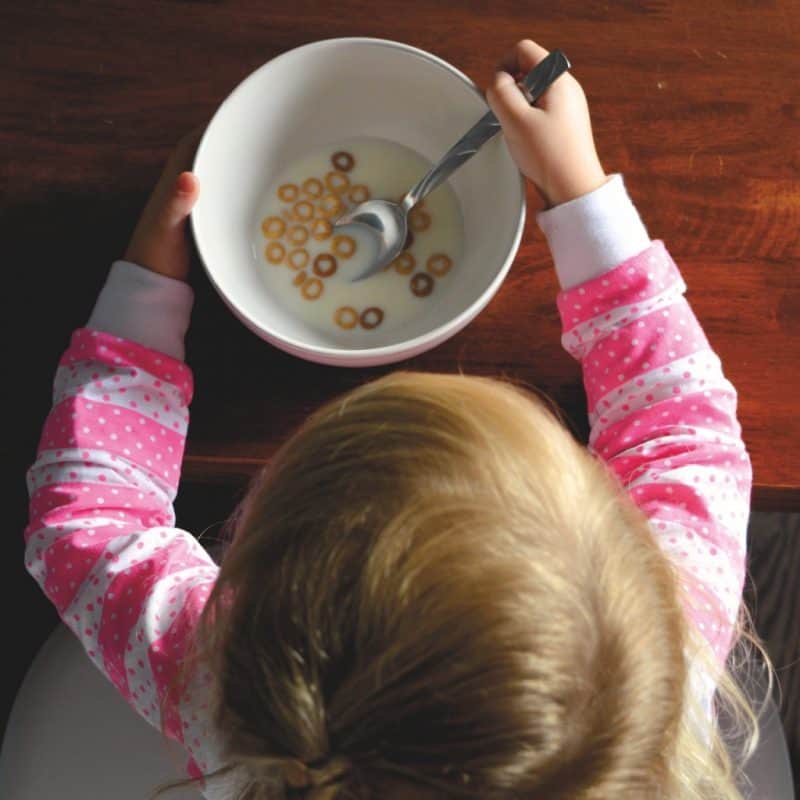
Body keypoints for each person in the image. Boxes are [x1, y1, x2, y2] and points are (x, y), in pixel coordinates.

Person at [23, 39, 785, 800]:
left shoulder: (217, 684)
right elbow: (683, 427)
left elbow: (88, 518)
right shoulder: (660, 658)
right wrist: (581, 192)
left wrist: (148, 283)